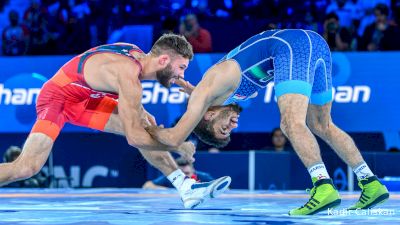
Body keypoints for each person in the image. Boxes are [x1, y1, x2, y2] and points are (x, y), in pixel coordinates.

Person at [147, 29, 389, 215]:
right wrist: (192, 90)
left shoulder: (209, 91)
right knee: (322, 125)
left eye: (224, 128)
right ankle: (370, 183)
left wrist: (158, 135)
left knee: (290, 123)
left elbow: (186, 122)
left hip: (291, 48)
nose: (233, 125)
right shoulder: (213, 94)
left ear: (208, 115)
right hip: (314, 45)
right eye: (229, 130)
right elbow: (204, 95)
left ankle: (323, 186)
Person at [0, 33, 231, 209]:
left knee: (147, 120)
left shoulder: (136, 56)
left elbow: (145, 119)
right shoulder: (129, 77)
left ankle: (185, 187)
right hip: (59, 97)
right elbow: (135, 138)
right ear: (163, 60)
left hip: (87, 96)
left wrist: (188, 90)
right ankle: (184, 183)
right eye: (181, 68)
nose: (181, 75)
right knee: (27, 167)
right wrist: (177, 144)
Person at [143, 157, 214, 189]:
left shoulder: (203, 176)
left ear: (193, 170)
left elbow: (218, 186)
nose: (185, 177)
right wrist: (168, 191)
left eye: (187, 173)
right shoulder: (171, 177)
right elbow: (147, 185)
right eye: (181, 174)